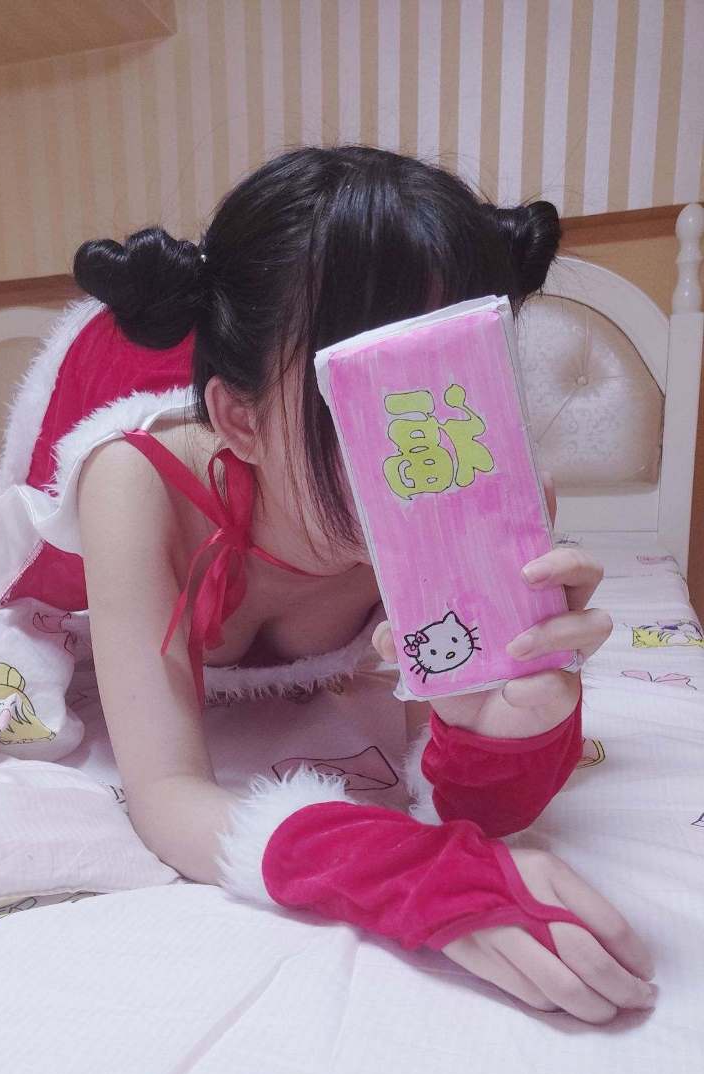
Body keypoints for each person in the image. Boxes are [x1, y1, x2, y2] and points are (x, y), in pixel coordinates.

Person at [48, 145, 655, 1023]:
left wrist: (505, 729)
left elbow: (466, 794)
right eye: (363, 391)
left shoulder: (466, 506)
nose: (416, 445)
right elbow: (165, 793)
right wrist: (401, 873)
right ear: (241, 418)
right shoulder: (134, 486)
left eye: (453, 379)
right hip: (167, 454)